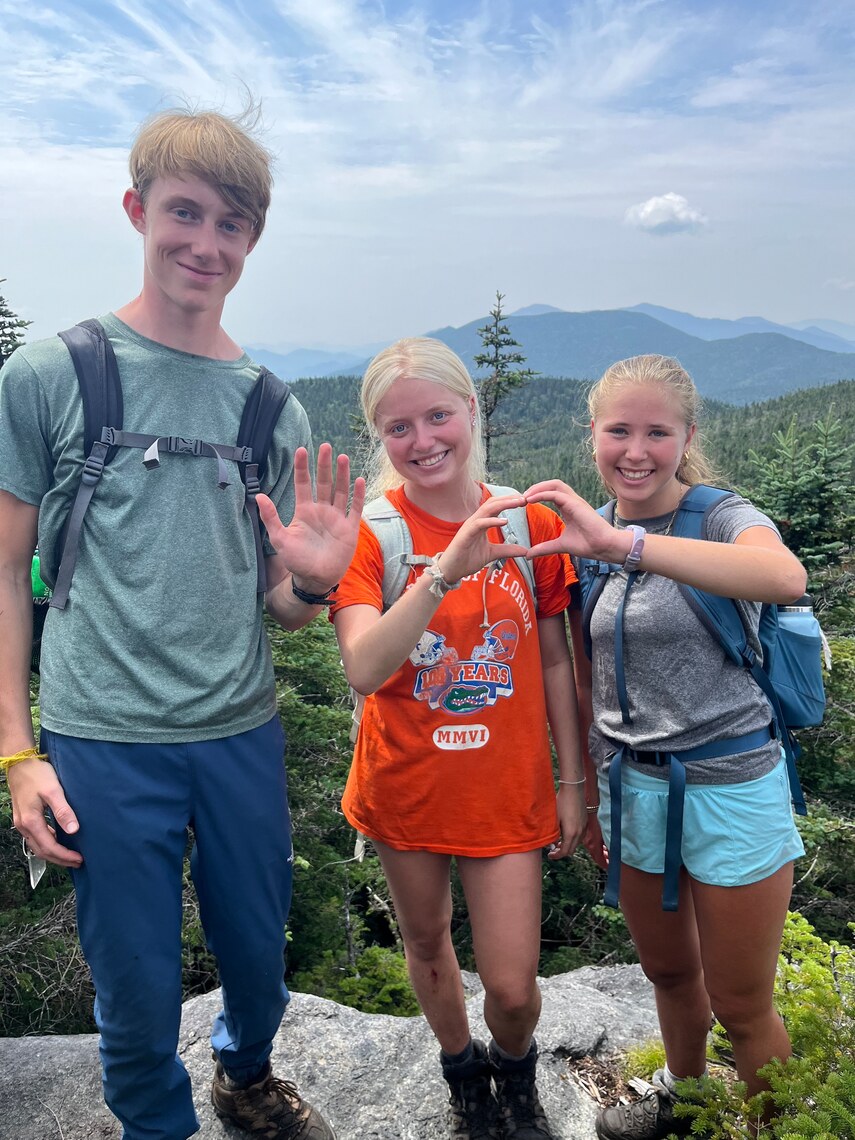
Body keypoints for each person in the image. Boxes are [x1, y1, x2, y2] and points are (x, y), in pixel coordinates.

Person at [0, 106, 365, 1140]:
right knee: (134, 980)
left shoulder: (269, 411)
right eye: (184, 213)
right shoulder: (50, 377)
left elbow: (278, 608)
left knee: (258, 948)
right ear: (137, 209)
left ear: (253, 240)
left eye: (232, 224)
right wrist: (17, 752)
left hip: (238, 729)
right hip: (100, 738)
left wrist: (316, 581)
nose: (206, 244)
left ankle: (244, 1070)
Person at [525, 354, 807, 1140]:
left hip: (733, 788)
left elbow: (782, 575)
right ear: (591, 437)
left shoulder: (718, 516)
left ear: (687, 436)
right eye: (619, 431)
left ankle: (771, 1128)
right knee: (668, 972)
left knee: (743, 1003)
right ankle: (683, 1104)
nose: (636, 450)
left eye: (657, 431)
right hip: (632, 791)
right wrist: (577, 788)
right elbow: (583, 678)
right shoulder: (586, 537)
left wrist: (628, 547)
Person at [330, 337, 589, 1140]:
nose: (422, 440)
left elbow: (554, 659)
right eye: (397, 427)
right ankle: (461, 1075)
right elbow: (366, 667)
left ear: (470, 411)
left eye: (437, 415)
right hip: (404, 784)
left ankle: (512, 1069)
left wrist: (573, 783)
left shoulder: (530, 520)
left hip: (506, 790)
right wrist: (442, 570)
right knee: (428, 944)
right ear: (379, 436)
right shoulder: (369, 536)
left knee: (511, 987)